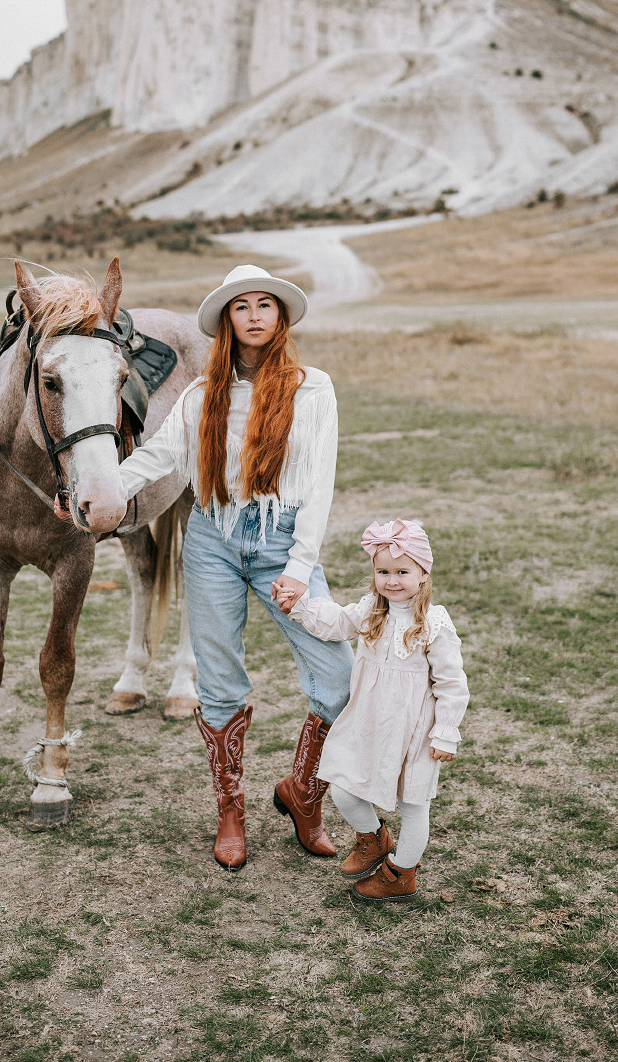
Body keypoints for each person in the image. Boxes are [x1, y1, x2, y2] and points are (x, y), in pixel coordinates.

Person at [114, 264, 352, 870]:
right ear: (226, 321)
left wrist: (300, 565)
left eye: (263, 305)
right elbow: (161, 456)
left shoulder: (313, 389)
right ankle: (230, 811)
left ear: (280, 317)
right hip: (213, 542)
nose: (251, 315)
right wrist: (106, 489)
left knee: (339, 679)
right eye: (239, 306)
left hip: (282, 544)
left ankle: (303, 794)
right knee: (219, 685)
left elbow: (320, 484)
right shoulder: (200, 396)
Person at [274, 517, 469, 903]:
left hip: (414, 730)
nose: (392, 580)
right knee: (344, 786)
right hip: (369, 720)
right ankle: (374, 838)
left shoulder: (433, 623)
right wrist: (299, 606)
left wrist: (445, 730)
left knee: (414, 804)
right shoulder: (370, 611)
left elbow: (452, 683)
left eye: (402, 571)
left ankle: (401, 874)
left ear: (424, 574)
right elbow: (334, 622)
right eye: (383, 572)